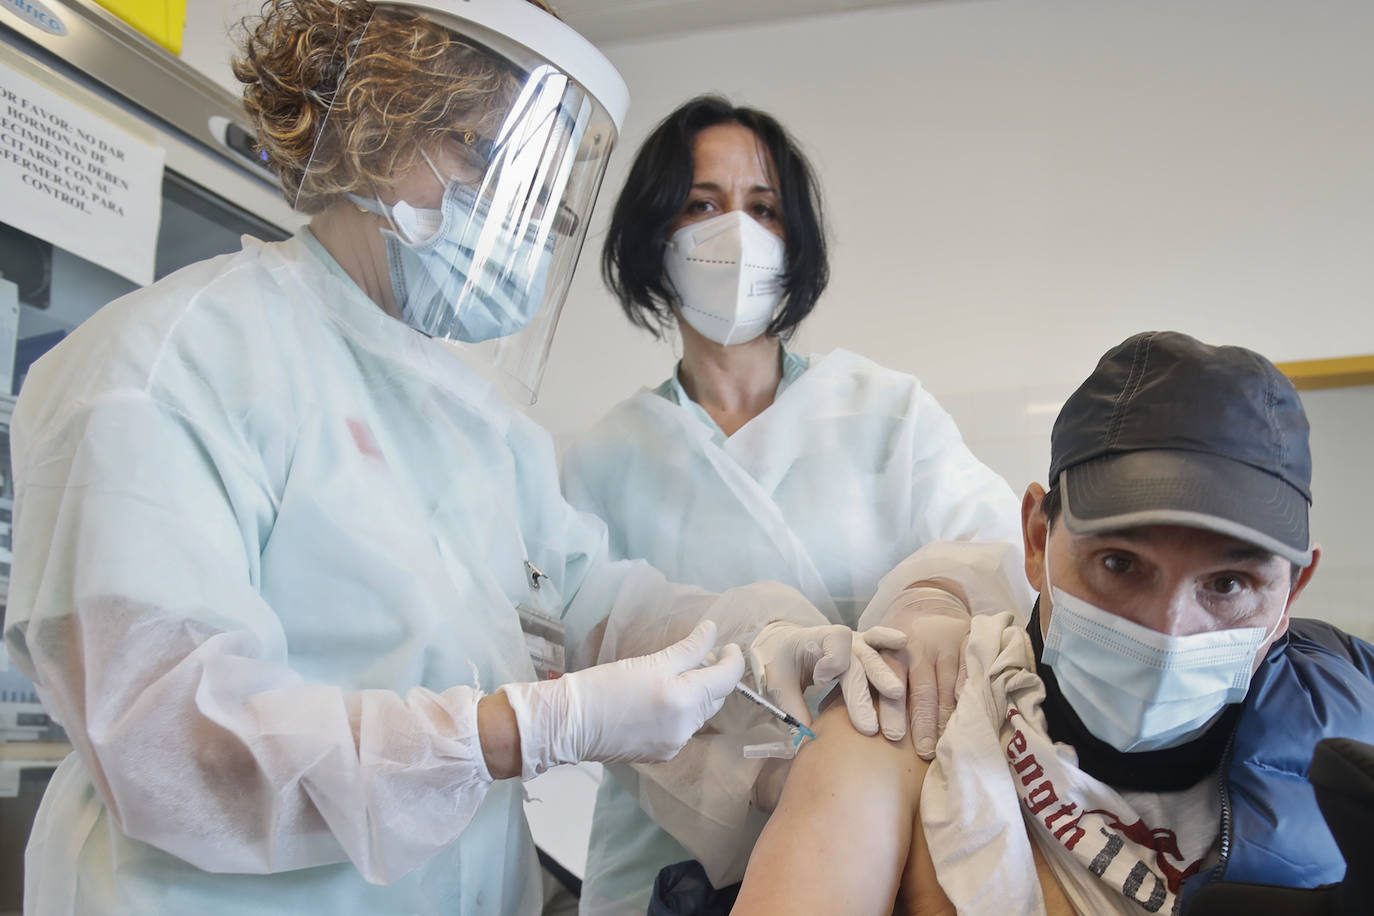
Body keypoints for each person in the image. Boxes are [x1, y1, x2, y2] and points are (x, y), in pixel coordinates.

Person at [0, 4, 903, 914]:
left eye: (545, 192)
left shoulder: (479, 427)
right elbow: (174, 748)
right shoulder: (165, 367)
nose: (530, 220)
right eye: (483, 157)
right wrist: (516, 731)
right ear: (373, 125)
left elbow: (597, 608)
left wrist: (761, 641)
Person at [561, 95, 1032, 915]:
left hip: (881, 842)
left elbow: (999, 557)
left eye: (763, 208)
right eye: (701, 205)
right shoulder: (606, 459)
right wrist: (758, 771)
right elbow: (588, 662)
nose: (733, 233)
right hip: (660, 868)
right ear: (652, 235)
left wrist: (935, 601)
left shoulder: (886, 411)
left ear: (795, 240)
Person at [727, 331, 1374, 915]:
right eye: (1120, 563)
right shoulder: (918, 714)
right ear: (1037, 538)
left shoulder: (1350, 749)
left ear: (1293, 592)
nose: (1170, 633)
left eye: (1229, 584)